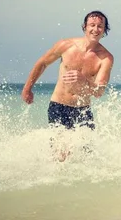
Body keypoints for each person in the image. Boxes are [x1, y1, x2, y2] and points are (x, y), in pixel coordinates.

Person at [21, 11, 114, 161]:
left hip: (83, 111)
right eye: (92, 25)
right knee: (61, 155)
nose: (95, 29)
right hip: (59, 106)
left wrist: (84, 79)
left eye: (100, 26)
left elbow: (99, 91)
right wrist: (27, 88)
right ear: (84, 27)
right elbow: (42, 63)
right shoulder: (66, 45)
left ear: (104, 30)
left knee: (86, 156)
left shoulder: (106, 58)